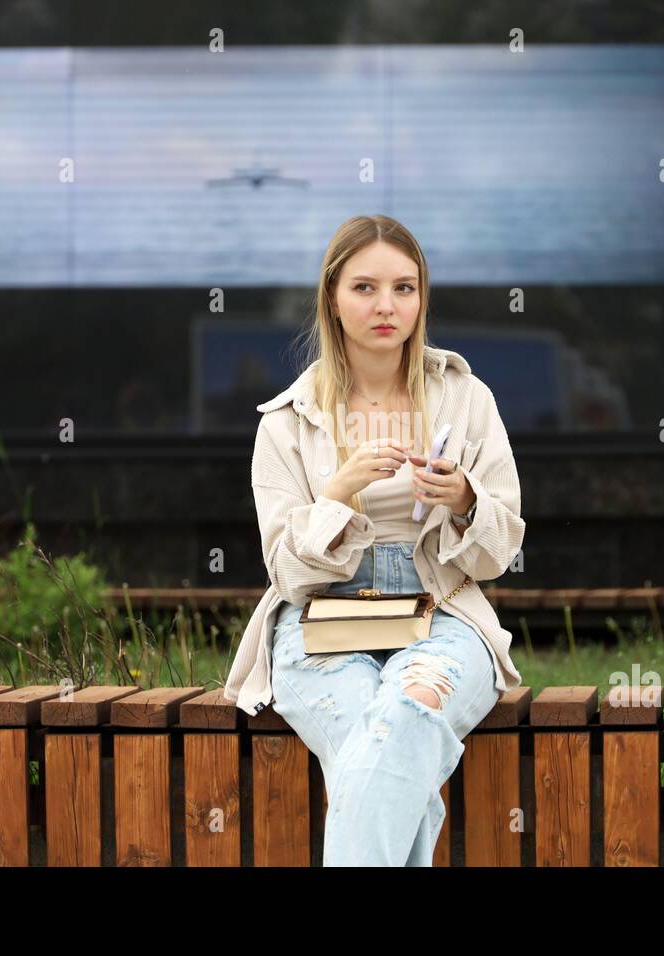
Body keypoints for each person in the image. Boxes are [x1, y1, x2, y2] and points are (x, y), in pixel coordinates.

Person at [222, 214, 526, 866]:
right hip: (322, 617)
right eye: (364, 288)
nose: (387, 306)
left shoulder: (467, 398)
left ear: (422, 297)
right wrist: (337, 494)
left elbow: (498, 554)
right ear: (332, 296)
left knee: (408, 714)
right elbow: (287, 571)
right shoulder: (285, 422)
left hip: (442, 611)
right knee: (386, 746)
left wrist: (467, 500)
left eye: (404, 288)